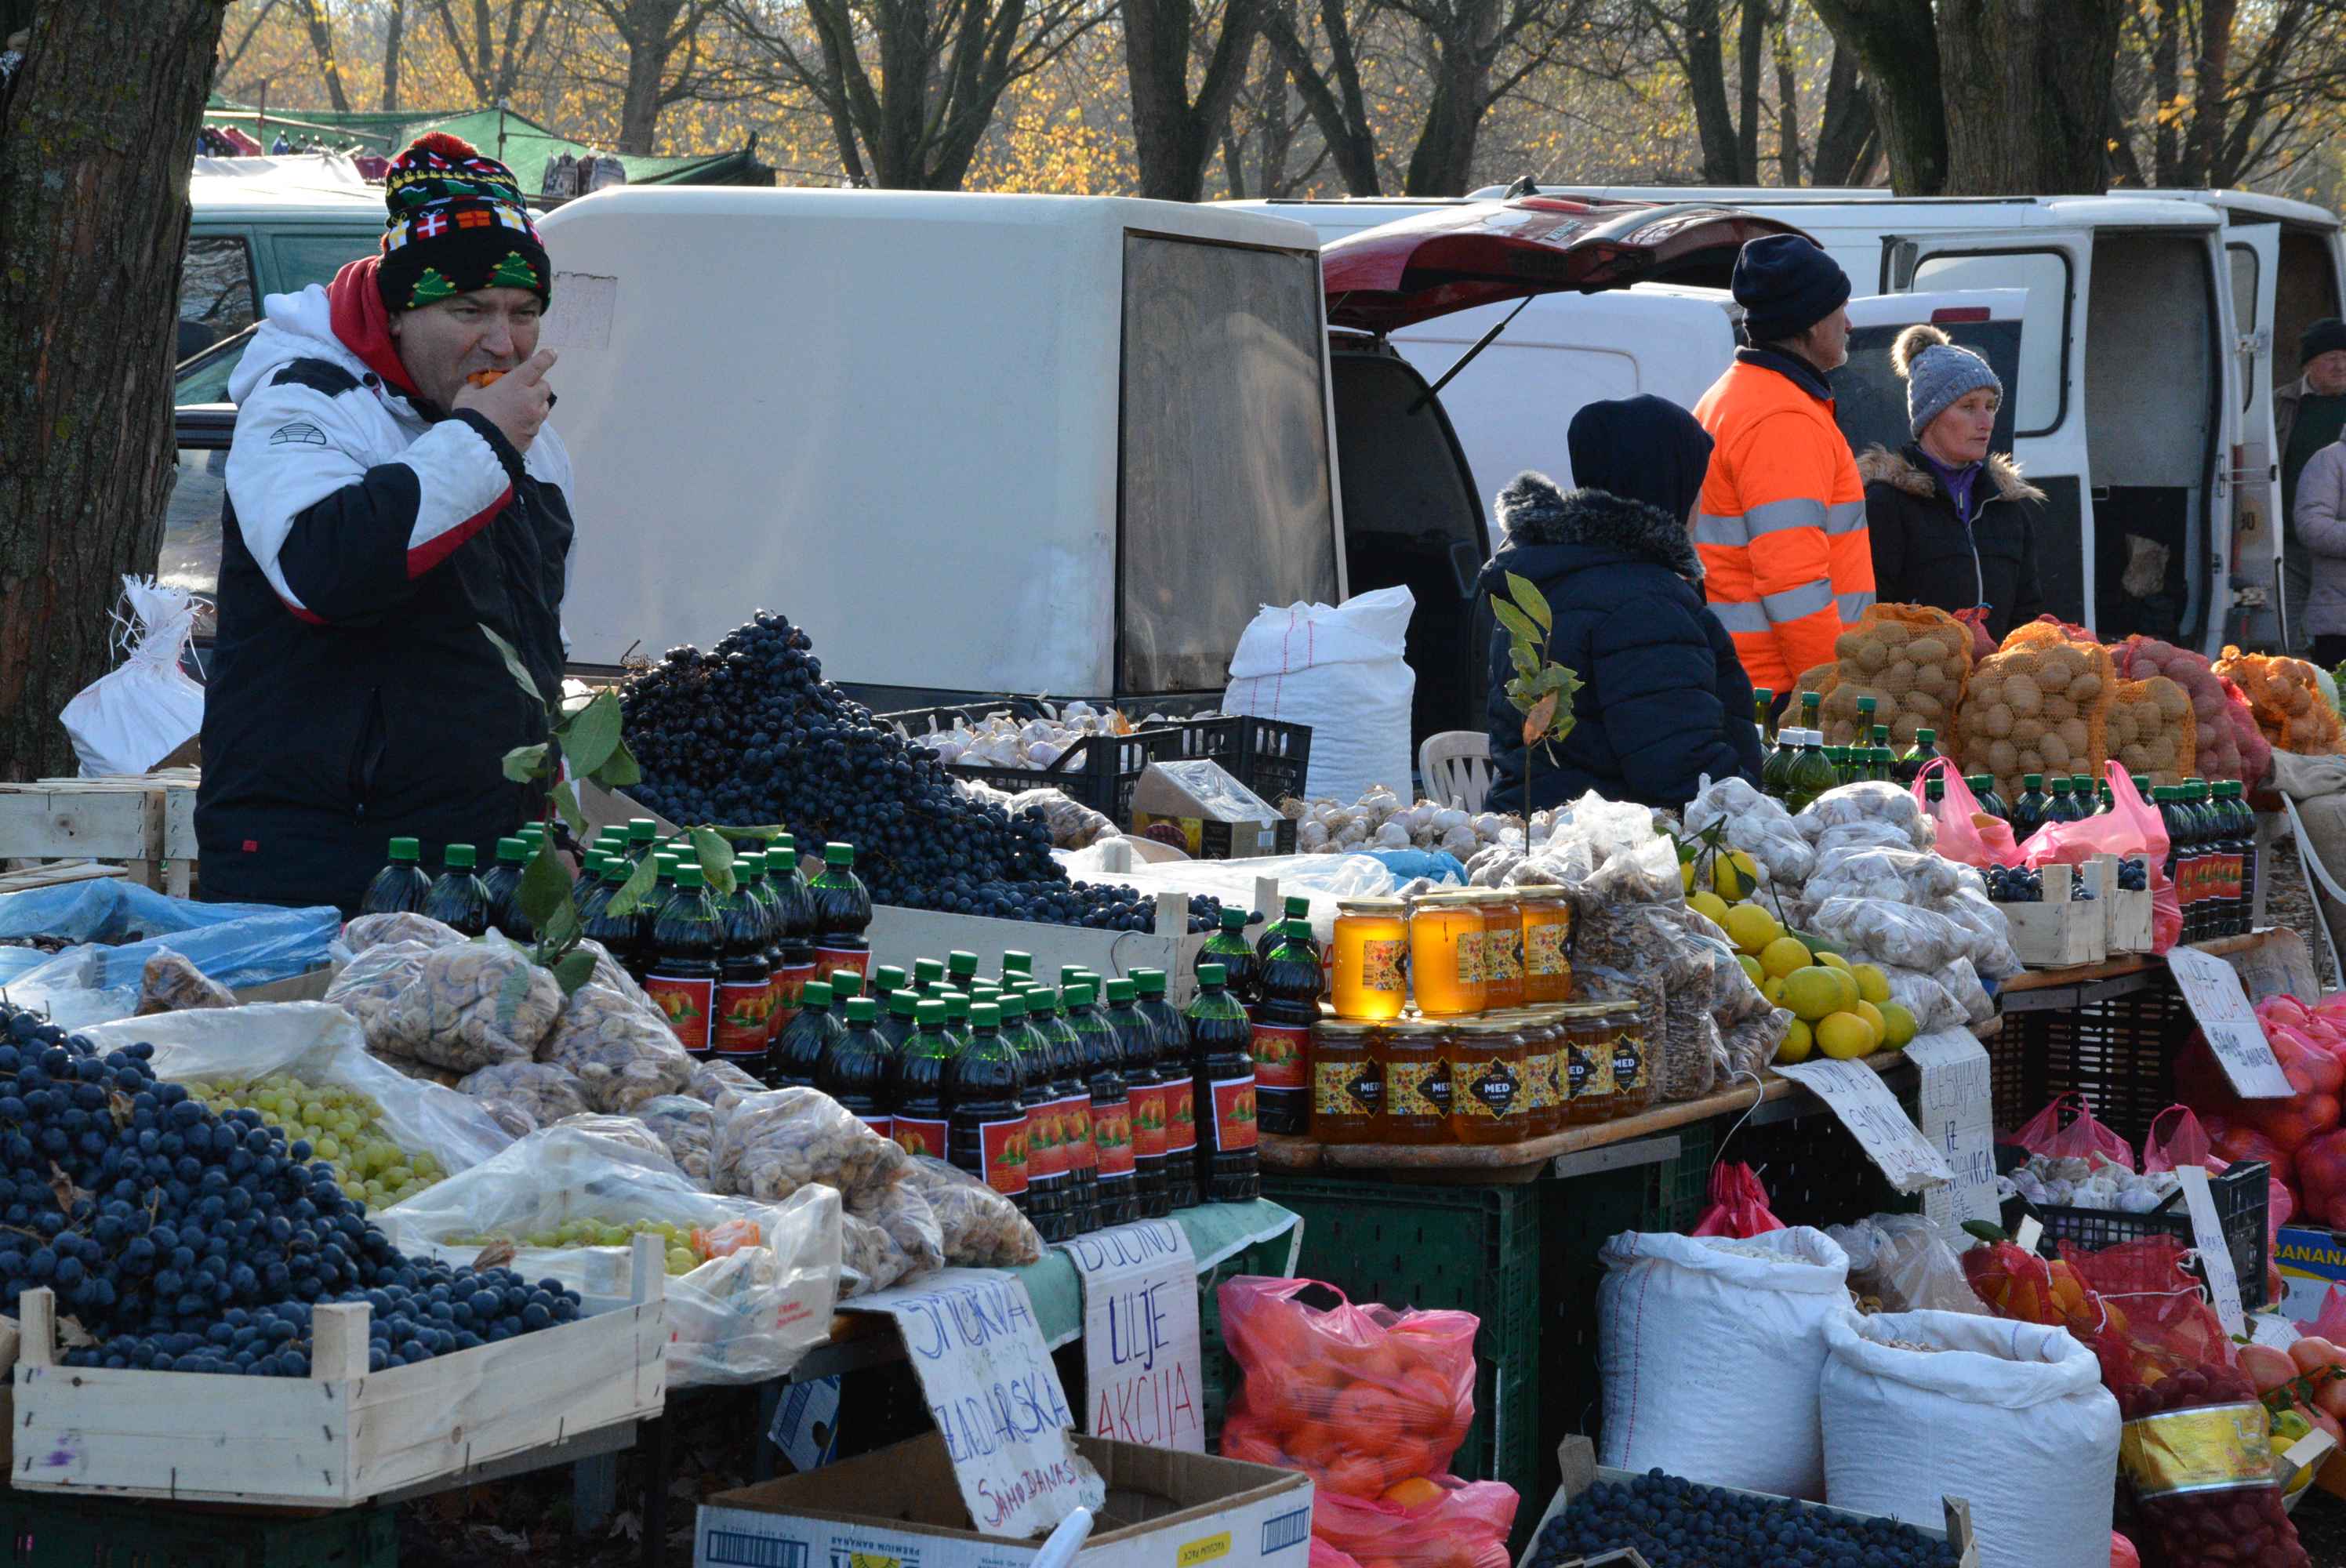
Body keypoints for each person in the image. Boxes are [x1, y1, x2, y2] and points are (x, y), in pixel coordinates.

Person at [196, 132, 575, 912]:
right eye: (469, 309)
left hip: (475, 859)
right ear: (400, 310)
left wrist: (548, 815)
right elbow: (320, 571)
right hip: (316, 869)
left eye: (523, 312)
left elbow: (530, 645)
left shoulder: (528, 436)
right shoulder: (304, 399)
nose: (502, 342)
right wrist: (480, 441)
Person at [1479, 395, 1764, 813]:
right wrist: (1757, 813)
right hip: (1621, 852)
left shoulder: (1541, 575)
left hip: (1535, 831)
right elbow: (1682, 768)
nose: (1702, 504)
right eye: (1699, 486)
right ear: (1672, 486)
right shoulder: (1646, 602)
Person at [1693, 234, 1872, 699]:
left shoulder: (1734, 396)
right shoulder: (1782, 417)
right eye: (1840, 309)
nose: (1849, 324)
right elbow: (1794, 582)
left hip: (1749, 680)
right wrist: (1834, 694)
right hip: (1782, 692)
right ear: (1811, 324)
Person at [1858, 324, 2046, 643]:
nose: (1985, 422)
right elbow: (1872, 621)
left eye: (1990, 406)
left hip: (1998, 689)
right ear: (1930, 416)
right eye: (1968, 407)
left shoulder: (2008, 507)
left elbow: (2027, 617)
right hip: (1914, 687)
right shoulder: (1886, 504)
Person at [2279, 318, 2346, 651]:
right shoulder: (2280, 405)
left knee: (2333, 637)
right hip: (2288, 543)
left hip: (2338, 551)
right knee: (2288, 641)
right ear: (2309, 363)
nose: (2341, 365)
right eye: (2331, 357)